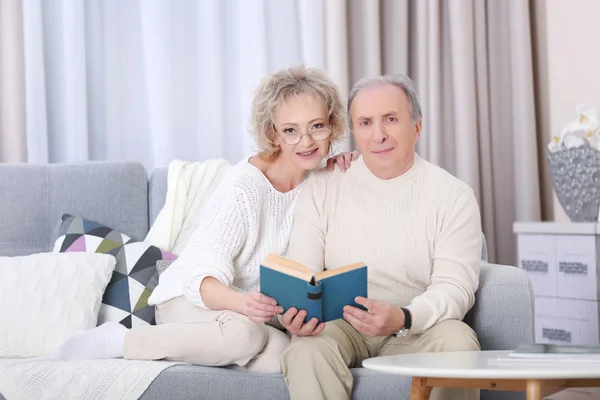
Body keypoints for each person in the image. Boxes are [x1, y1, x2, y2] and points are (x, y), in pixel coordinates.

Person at [55, 64, 358, 374]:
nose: (306, 141)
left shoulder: (320, 182)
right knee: (245, 335)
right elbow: (201, 280)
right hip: (190, 300)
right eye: (291, 130)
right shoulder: (244, 187)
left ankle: (202, 347)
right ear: (273, 134)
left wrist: (347, 164)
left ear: (332, 126)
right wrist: (247, 306)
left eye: (317, 126)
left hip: (253, 313)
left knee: (288, 360)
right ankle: (123, 342)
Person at [278, 73, 482, 400]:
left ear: (416, 126)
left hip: (415, 326)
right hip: (340, 325)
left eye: (390, 119)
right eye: (365, 122)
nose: (379, 135)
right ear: (354, 132)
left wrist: (403, 317)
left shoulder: (453, 196)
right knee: (305, 350)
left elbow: (455, 287)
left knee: (459, 342)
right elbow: (304, 270)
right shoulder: (324, 183)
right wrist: (296, 315)